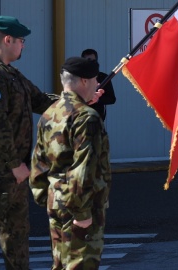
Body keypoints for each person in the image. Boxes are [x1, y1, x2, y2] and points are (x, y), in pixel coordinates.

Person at [0, 16, 59, 269]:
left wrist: (78, 100)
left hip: (14, 172)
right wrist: (15, 163)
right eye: (21, 41)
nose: (23, 46)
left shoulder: (11, 74)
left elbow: (40, 100)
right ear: (8, 40)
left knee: (16, 237)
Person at [29, 57, 111, 269]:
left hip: (56, 201)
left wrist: (44, 196)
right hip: (80, 207)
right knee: (80, 264)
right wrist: (82, 214)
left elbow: (39, 161)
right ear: (84, 81)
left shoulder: (49, 113)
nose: (96, 84)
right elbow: (83, 169)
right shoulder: (87, 117)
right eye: (94, 80)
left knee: (61, 263)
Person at [81, 48, 116, 121]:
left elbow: (111, 99)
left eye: (94, 61)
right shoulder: (78, 78)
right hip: (81, 118)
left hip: (97, 119)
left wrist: (97, 99)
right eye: (88, 61)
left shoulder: (103, 77)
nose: (91, 64)